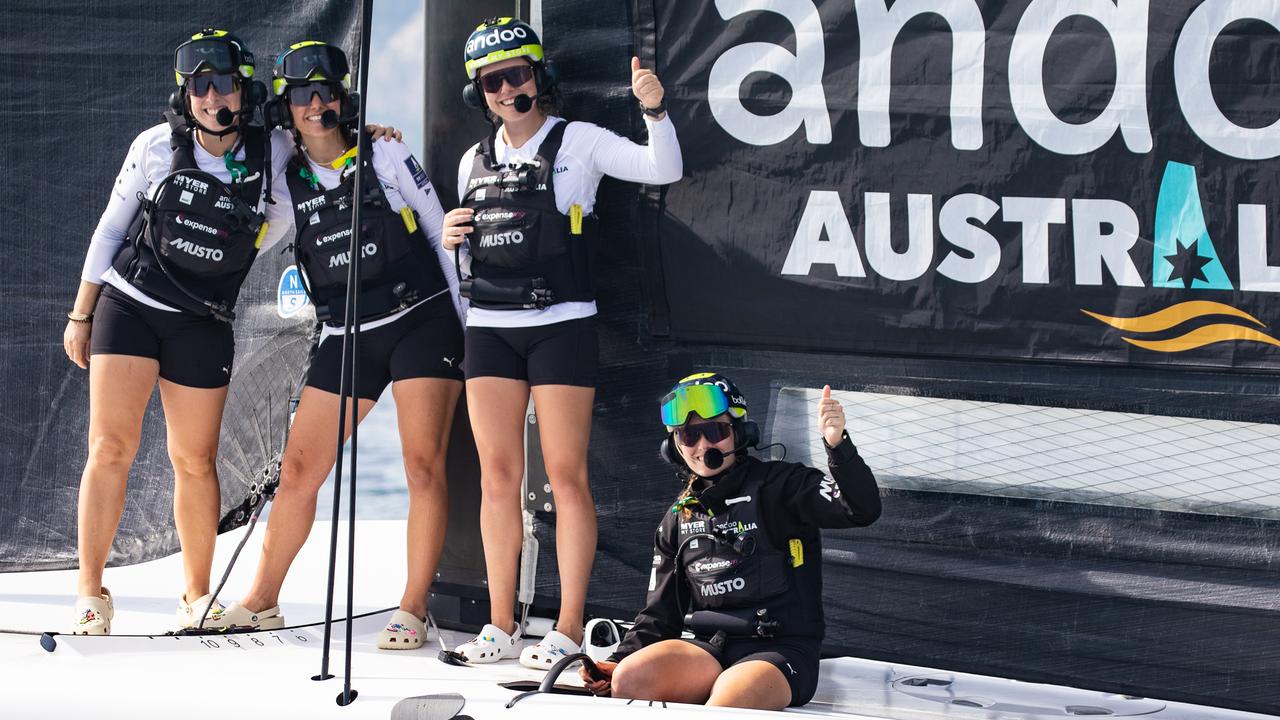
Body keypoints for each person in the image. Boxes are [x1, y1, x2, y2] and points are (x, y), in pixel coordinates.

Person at [441, 17, 683, 667]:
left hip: (562, 324)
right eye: (490, 81)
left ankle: (568, 626)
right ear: (478, 92)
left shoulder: (579, 140)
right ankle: (498, 625)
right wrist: (451, 238)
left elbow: (663, 166)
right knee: (498, 478)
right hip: (490, 328)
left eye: (514, 74)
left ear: (537, 77)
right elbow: (463, 265)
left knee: (567, 477)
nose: (503, 89)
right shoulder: (472, 158)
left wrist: (654, 111)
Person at [218, 41, 466, 650]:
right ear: (287, 106)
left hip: (420, 319)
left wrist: (472, 333)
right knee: (300, 469)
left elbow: (441, 237)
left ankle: (412, 610)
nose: (316, 104)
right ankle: (261, 601)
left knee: (421, 465)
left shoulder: (384, 150)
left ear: (343, 95)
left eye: (327, 90)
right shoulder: (280, 168)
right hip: (347, 332)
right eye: (302, 95)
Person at [64, 29, 294, 634]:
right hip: (131, 306)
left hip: (203, 320)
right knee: (110, 447)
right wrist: (81, 313)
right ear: (186, 93)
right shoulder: (155, 146)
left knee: (194, 459)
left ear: (245, 92)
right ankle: (92, 594)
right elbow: (110, 229)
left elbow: (330, 146)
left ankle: (196, 596)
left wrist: (374, 134)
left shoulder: (276, 151)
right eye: (201, 87)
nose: (213, 97)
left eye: (225, 86)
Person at [580, 373, 882, 710]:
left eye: (715, 431)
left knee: (729, 700)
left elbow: (861, 509)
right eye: (689, 435)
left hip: (782, 650)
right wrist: (619, 660)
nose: (702, 446)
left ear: (739, 433)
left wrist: (838, 446)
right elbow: (659, 616)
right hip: (709, 649)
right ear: (674, 447)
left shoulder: (782, 486)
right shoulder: (677, 518)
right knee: (629, 678)